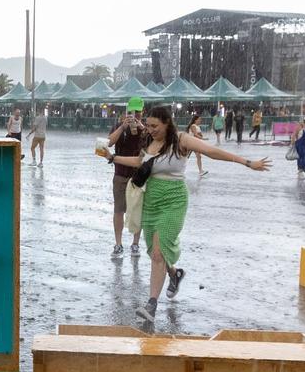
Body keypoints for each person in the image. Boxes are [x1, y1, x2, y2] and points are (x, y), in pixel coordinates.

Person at [109, 103, 270, 323]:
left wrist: (247, 162)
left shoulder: (181, 140)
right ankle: (174, 274)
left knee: (158, 252)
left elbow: (211, 151)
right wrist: (112, 158)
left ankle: (151, 305)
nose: (150, 129)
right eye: (148, 125)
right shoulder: (148, 140)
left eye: (155, 125)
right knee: (156, 250)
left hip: (174, 200)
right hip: (151, 200)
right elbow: (140, 162)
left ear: (167, 123)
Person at [106, 104, 150, 258]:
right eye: (131, 112)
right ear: (126, 112)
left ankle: (135, 243)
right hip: (120, 174)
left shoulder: (146, 127)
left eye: (137, 112)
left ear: (142, 112)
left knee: (138, 210)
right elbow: (109, 143)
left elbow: (153, 143)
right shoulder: (119, 125)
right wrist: (122, 127)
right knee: (119, 210)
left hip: (139, 176)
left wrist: (141, 127)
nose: (134, 115)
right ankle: (118, 244)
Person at [186, 112, 209, 176]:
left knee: (198, 156)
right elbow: (195, 134)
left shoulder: (197, 126)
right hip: (191, 143)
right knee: (185, 157)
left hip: (194, 143)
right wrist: (203, 138)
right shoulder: (193, 126)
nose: (200, 120)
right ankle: (179, 169)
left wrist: (201, 136)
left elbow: (199, 134)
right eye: (199, 119)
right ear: (195, 120)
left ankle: (200, 171)